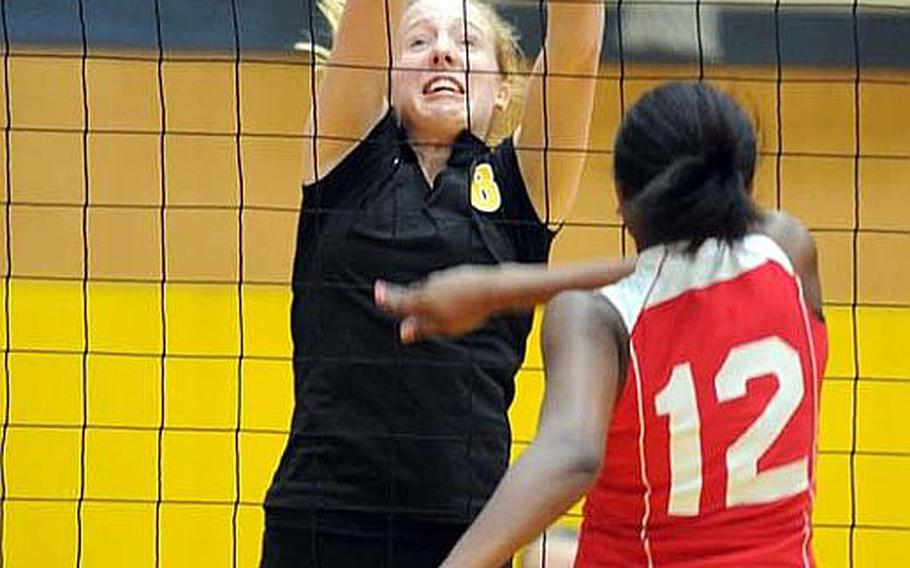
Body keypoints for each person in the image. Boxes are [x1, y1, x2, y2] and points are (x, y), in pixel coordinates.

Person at [378, 82, 827, 566]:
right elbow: (692, 256)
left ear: (621, 198)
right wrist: (497, 288)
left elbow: (572, 454)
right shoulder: (788, 250)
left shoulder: (592, 320)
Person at [261, 1, 605, 566]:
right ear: (388, 75)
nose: (442, 51)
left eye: (467, 43)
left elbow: (578, 44)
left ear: (501, 90)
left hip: (465, 532)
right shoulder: (343, 155)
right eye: (417, 42)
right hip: (323, 521)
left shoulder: (524, 188)